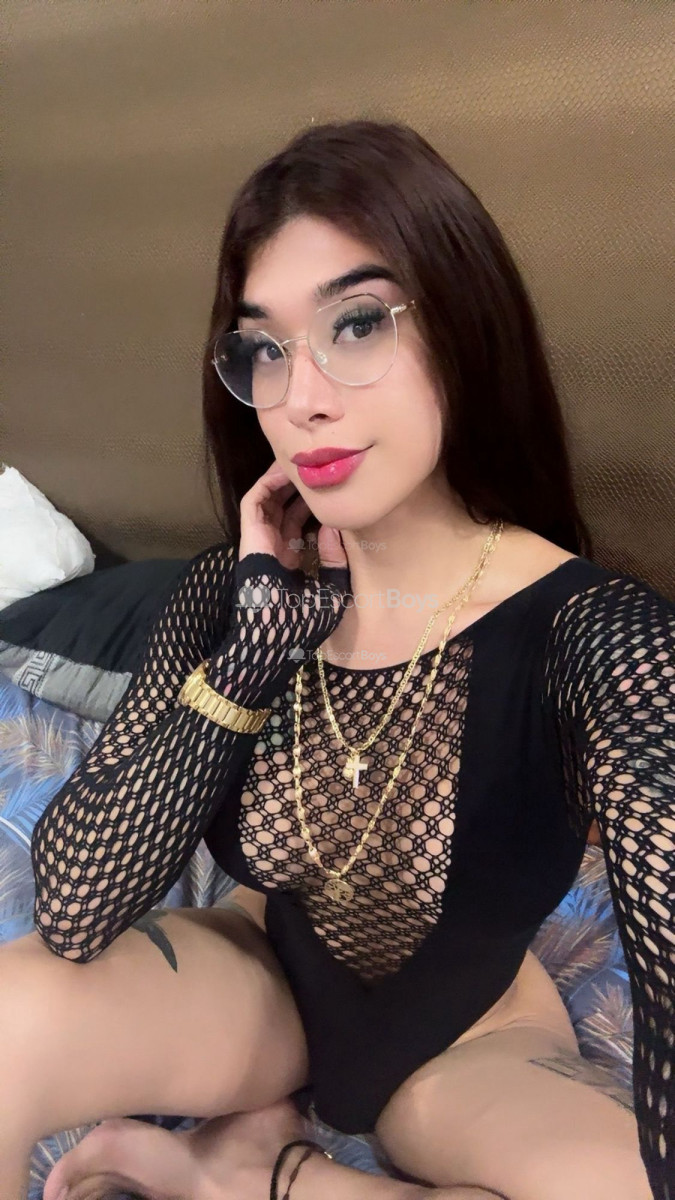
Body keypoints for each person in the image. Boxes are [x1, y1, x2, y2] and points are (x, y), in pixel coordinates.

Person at [1, 119, 671, 1200]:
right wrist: (255, 657)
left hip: (467, 1031)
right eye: (265, 349)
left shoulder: (595, 636)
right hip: (261, 981)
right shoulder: (234, 591)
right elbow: (74, 907)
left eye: (356, 324)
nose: (302, 397)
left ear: (461, 323)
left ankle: (252, 1174)